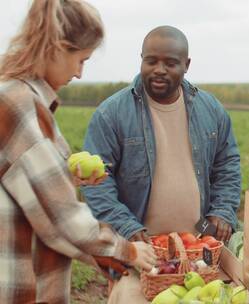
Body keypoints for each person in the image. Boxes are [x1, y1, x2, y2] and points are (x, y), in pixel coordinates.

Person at [0, 1, 156, 303]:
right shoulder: (18, 105)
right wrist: (128, 250)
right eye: (81, 59)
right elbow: (61, 214)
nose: (80, 73)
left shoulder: (20, 98)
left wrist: (100, 256)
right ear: (57, 47)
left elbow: (37, 208)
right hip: (20, 286)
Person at [81, 26, 241, 303]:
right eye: (151, 61)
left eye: (170, 63)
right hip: (140, 253)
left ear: (186, 65)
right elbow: (98, 183)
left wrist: (224, 210)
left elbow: (227, 164)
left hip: (198, 249)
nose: (159, 70)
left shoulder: (210, 109)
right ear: (141, 59)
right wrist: (128, 228)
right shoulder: (112, 113)